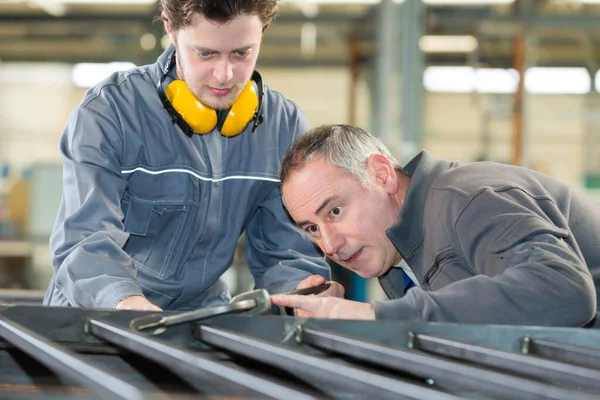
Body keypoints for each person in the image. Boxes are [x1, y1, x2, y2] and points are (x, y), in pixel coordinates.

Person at [43, 0, 340, 311]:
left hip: (198, 319)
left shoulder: (282, 127)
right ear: (171, 30)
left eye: (241, 53)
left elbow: (287, 252)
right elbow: (85, 239)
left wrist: (303, 292)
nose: (225, 75)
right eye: (206, 53)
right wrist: (125, 303)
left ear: (262, 34)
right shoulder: (110, 114)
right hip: (94, 316)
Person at [271, 124, 600, 327]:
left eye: (335, 211)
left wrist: (377, 317)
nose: (329, 246)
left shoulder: (465, 199)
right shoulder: (396, 254)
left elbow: (564, 291)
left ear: (381, 175)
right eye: (311, 228)